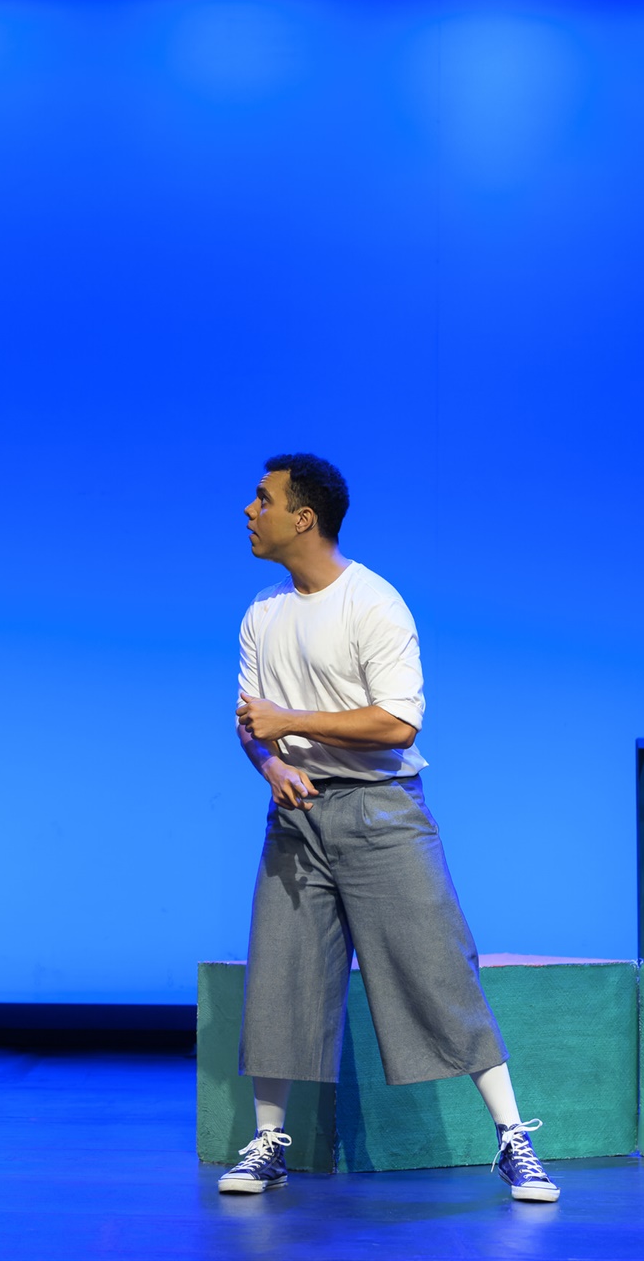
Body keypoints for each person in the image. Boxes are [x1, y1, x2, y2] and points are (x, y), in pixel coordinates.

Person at [217, 453, 558, 1203]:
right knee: (281, 974)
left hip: (382, 811)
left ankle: (513, 1140)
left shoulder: (373, 602)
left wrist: (291, 721)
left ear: (304, 517)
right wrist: (270, 764)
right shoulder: (262, 613)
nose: (249, 510)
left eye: (264, 498)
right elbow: (251, 721)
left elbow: (398, 723)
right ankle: (270, 1142)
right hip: (297, 816)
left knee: (438, 970)